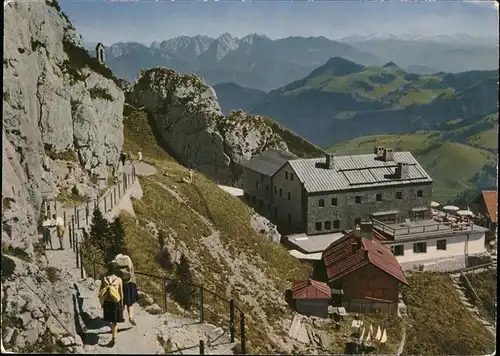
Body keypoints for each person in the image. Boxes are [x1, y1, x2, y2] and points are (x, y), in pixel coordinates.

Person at [98, 263, 124, 346]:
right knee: (114, 322)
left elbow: (100, 292)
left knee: (110, 319)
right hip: (115, 302)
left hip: (107, 302)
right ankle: (114, 338)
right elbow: (121, 293)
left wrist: (101, 303)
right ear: (115, 270)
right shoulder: (119, 279)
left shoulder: (104, 278)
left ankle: (113, 337)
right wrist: (122, 304)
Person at [113, 248, 138, 326]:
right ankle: (130, 317)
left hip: (120, 282)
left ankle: (120, 316)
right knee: (129, 302)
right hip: (129, 282)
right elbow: (131, 270)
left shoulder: (116, 259)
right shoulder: (128, 259)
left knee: (121, 301)